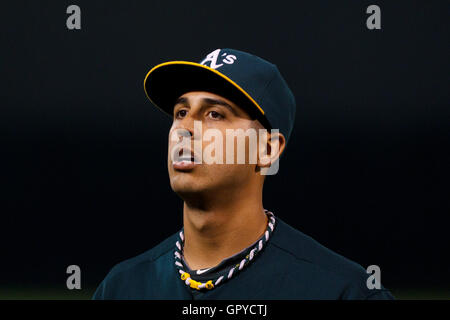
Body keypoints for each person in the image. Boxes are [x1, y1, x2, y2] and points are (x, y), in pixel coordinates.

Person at [92, 48, 394, 299]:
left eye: (214, 114)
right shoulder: (121, 289)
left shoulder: (345, 292)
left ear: (267, 150)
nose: (185, 129)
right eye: (181, 113)